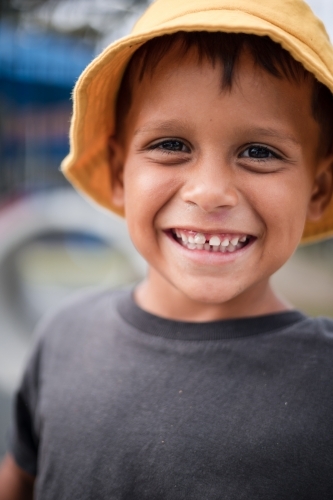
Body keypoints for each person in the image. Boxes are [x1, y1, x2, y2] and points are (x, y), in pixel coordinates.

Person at [1, 0, 333, 498]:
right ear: (118, 174)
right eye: (171, 144)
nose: (210, 192)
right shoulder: (63, 338)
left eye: (259, 152)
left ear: (318, 191)